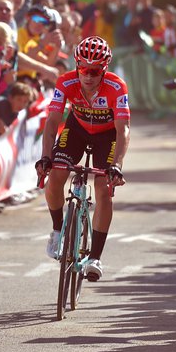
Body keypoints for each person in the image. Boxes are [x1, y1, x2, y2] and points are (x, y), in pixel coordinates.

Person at [35, 36, 130, 281]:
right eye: (82, 70)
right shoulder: (65, 82)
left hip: (106, 135)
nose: (87, 76)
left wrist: (117, 165)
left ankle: (95, 256)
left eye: (94, 71)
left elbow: (123, 129)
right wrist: (46, 156)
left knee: (102, 187)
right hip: (76, 130)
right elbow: (53, 121)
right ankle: (58, 229)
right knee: (56, 175)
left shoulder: (117, 87)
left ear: (104, 69)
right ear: (76, 66)